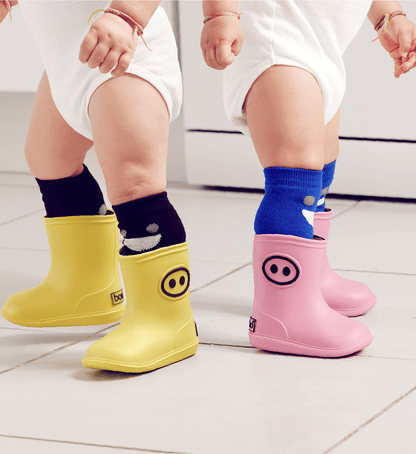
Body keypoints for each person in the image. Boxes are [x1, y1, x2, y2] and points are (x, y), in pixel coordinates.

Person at [200, 0, 416, 357]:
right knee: (294, 177)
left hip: (322, 46)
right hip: (279, 43)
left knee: (321, 162)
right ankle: (281, 314)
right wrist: (220, 14)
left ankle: (309, 278)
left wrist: (388, 16)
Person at [0, 0, 198, 373]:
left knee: (134, 181)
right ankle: (84, 286)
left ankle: (166, 319)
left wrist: (127, 14)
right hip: (69, 57)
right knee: (47, 158)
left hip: (124, 51)